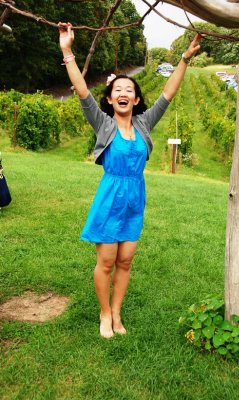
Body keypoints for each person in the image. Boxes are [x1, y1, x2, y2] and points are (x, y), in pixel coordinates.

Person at [58, 22, 202, 338]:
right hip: (110, 197)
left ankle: (118, 313)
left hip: (135, 198)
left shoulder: (145, 124)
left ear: (136, 100)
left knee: (125, 262)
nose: (124, 93)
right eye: (118, 90)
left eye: (130, 91)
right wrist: (67, 51)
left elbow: (168, 92)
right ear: (110, 99)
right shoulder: (103, 124)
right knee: (107, 262)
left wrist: (185, 59)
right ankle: (104, 314)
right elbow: (82, 92)